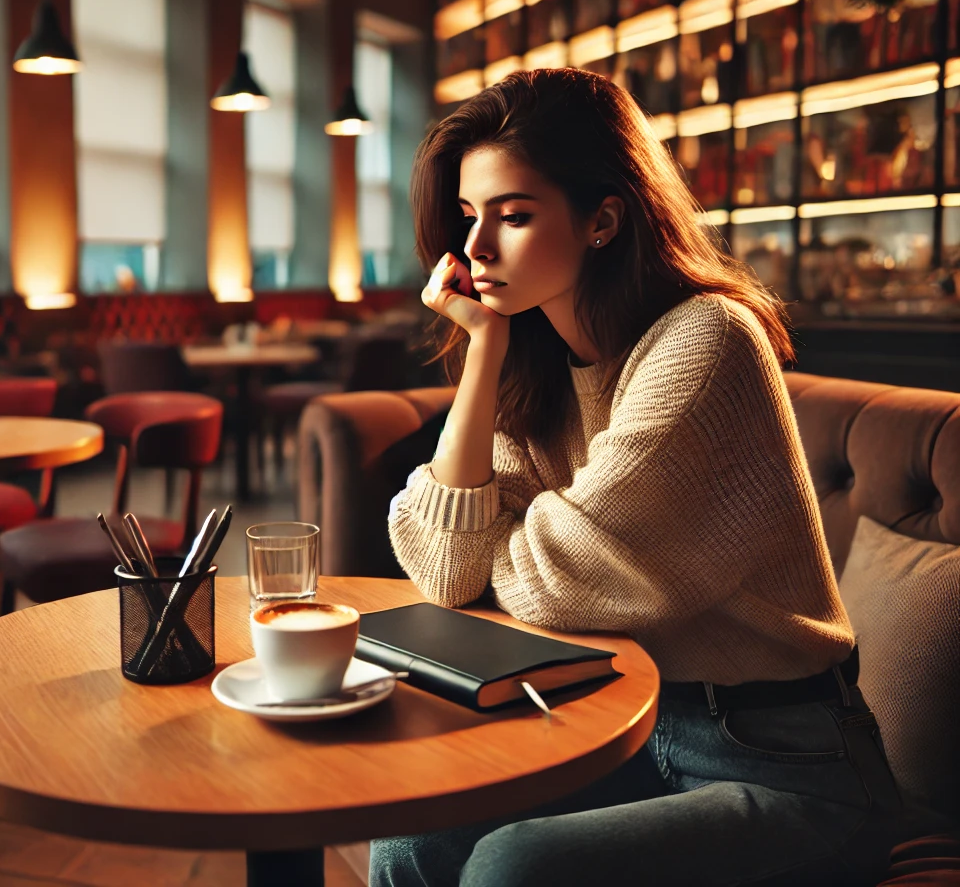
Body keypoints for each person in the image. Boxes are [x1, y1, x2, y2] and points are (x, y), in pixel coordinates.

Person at [370, 69, 904, 887]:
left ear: (602, 220)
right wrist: (481, 352)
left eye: (513, 216)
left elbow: (561, 582)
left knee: (515, 866)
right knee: (409, 833)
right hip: (627, 729)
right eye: (470, 217)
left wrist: (508, 542)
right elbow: (447, 572)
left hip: (790, 763)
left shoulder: (705, 343)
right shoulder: (536, 364)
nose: (474, 250)